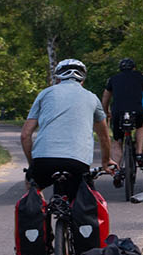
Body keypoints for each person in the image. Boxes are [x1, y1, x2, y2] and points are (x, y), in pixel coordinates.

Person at [21, 59, 115, 196]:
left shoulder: (45, 94)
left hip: (43, 160)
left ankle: (36, 211)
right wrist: (106, 161)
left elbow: (25, 135)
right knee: (82, 199)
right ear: (82, 80)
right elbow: (104, 137)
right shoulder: (92, 98)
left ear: (58, 78)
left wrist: (32, 165)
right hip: (77, 161)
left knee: (32, 184)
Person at [100, 57, 143, 197]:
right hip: (136, 111)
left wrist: (106, 111)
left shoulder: (113, 79)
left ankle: (117, 168)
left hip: (118, 112)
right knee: (140, 126)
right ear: (134, 68)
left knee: (117, 141)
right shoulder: (140, 77)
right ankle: (139, 153)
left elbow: (105, 98)